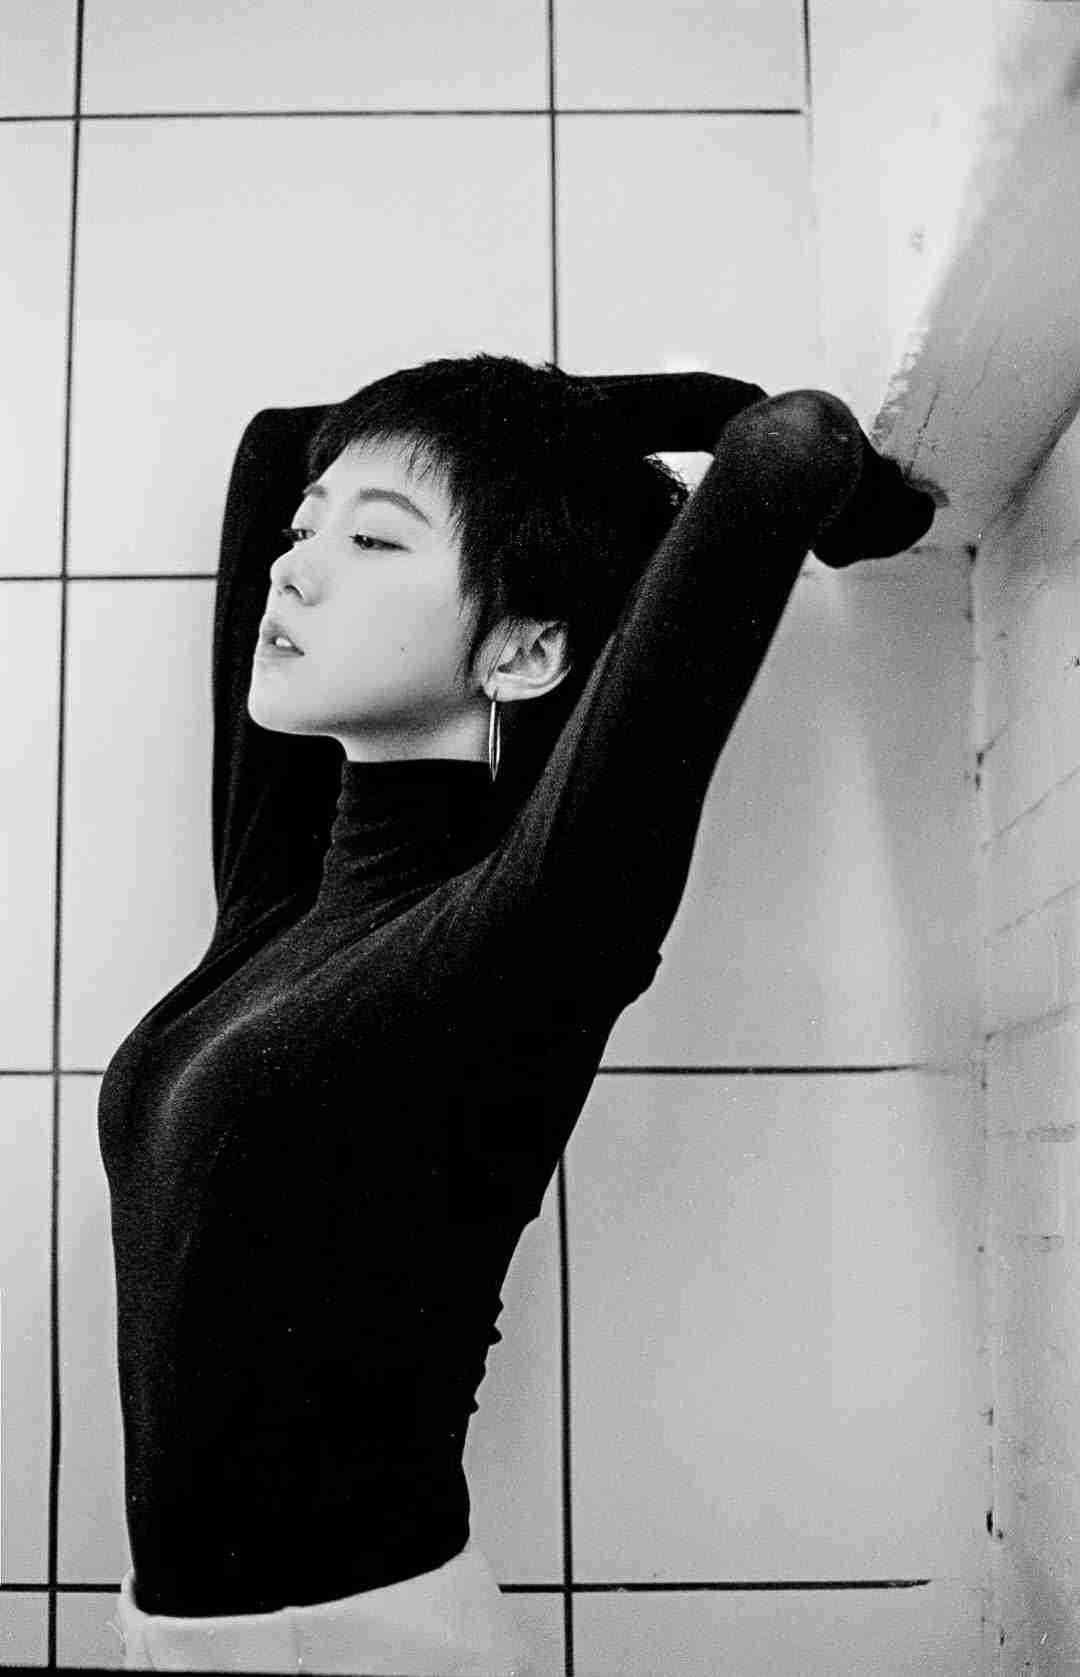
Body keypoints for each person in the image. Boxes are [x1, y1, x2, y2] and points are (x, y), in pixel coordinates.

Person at [98, 355, 936, 1673]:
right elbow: (281, 440)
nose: (293, 568)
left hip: (360, 1647)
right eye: (311, 530)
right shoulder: (279, 900)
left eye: (376, 540)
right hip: (188, 1638)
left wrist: (838, 492)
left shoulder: (526, 934)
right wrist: (535, 439)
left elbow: (786, 444)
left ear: (527, 650)